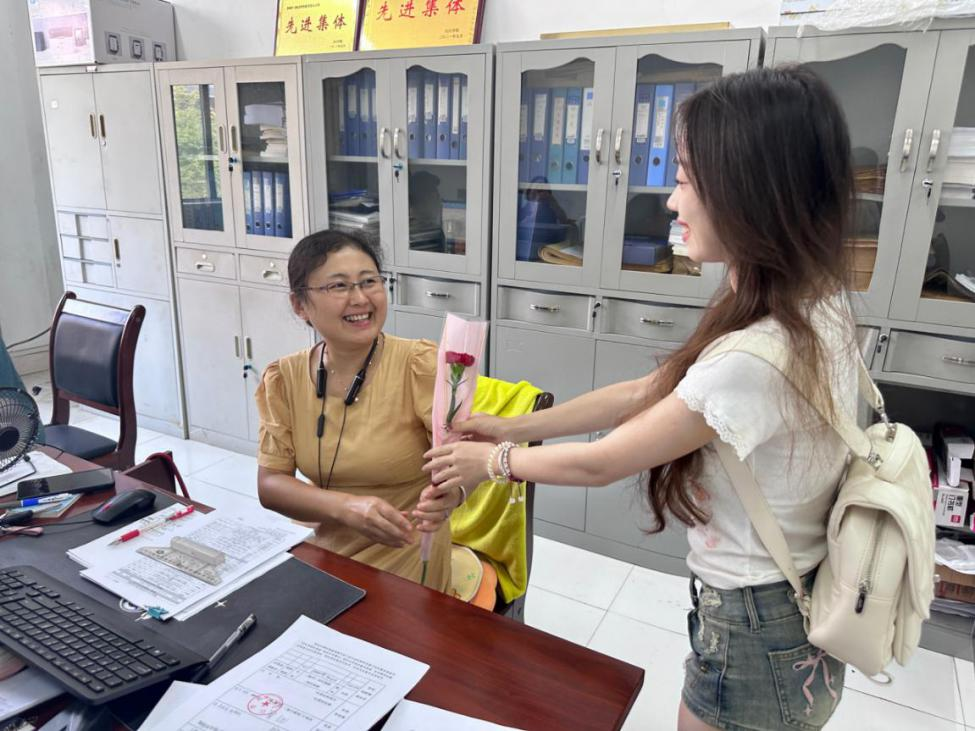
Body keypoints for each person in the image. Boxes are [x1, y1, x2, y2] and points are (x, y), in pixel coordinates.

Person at [416, 66, 858, 730]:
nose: (672, 202)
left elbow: (604, 461)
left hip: (756, 622)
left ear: (750, 190)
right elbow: (645, 392)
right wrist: (511, 426)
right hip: (783, 597)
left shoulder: (759, 353)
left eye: (685, 179)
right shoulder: (809, 300)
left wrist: (491, 463)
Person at [255, 229, 453, 592]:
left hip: (406, 562)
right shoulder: (284, 378)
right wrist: (345, 507)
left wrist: (453, 496)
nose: (360, 298)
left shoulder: (419, 366)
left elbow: (465, 463)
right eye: (339, 286)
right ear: (300, 305)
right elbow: (270, 485)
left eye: (369, 281)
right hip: (323, 555)